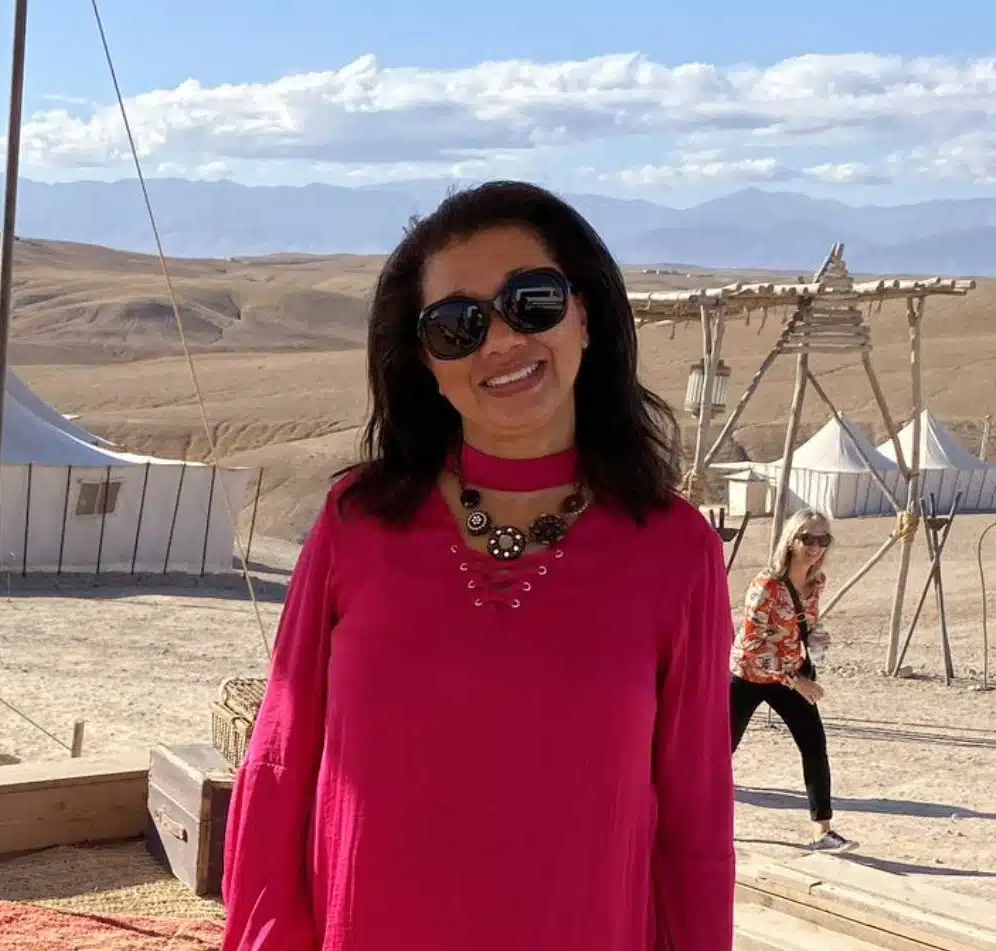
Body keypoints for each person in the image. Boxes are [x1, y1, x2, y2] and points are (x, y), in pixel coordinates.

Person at [220, 181, 735, 951]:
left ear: (585, 314)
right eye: (456, 325)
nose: (498, 341)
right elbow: (278, 766)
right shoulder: (358, 525)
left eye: (531, 301)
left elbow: (695, 828)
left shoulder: (675, 548)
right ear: (426, 362)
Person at [730, 508, 851, 852]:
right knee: (721, 751)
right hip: (749, 675)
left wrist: (816, 638)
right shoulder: (765, 584)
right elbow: (752, 643)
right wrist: (796, 680)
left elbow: (805, 625)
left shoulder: (815, 583)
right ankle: (698, 820)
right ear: (791, 540)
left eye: (823, 540)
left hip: (789, 674)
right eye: (807, 538)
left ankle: (823, 831)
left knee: (814, 746)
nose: (815, 547)